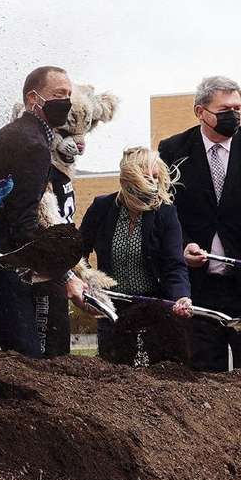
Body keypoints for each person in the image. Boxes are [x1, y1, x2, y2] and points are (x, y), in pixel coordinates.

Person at [157, 76, 241, 371]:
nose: (234, 115)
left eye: (238, 108)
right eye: (225, 109)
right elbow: (166, 212)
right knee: (202, 377)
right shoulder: (172, 150)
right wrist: (183, 245)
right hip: (198, 290)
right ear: (200, 111)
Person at [0, 66, 86, 357]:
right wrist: (64, 275)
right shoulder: (33, 145)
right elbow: (23, 222)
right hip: (11, 267)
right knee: (30, 362)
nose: (65, 101)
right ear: (32, 98)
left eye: (68, 95)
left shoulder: (13, 134)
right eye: (57, 95)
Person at [76, 147, 192, 364]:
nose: (153, 185)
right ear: (130, 181)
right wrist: (85, 282)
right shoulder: (102, 208)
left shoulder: (165, 213)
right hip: (112, 308)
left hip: (152, 308)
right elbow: (77, 252)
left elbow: (174, 265)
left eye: (156, 178)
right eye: (147, 178)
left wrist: (181, 297)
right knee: (114, 370)